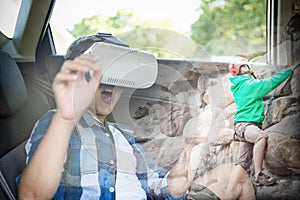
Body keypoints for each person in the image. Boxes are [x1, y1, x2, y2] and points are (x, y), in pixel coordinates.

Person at [17, 33, 202, 200]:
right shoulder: (57, 125)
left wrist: (193, 149)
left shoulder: (124, 135)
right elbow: (32, 195)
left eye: (119, 72)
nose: (111, 81)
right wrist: (66, 117)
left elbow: (163, 187)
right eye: (100, 71)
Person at [224, 61, 294, 199]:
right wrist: (288, 71)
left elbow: (261, 89)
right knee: (261, 137)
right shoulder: (249, 85)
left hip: (242, 126)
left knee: (243, 163)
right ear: (240, 70)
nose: (249, 67)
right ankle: (258, 174)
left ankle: (228, 195)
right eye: (245, 66)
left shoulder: (241, 85)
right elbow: (269, 83)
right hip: (246, 126)